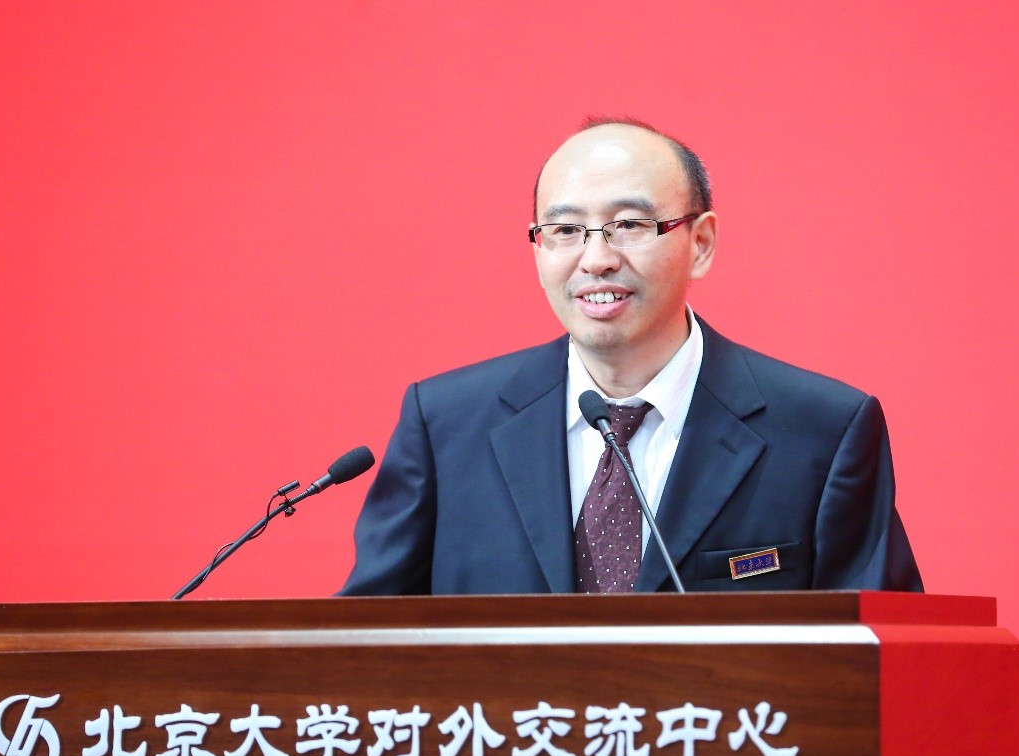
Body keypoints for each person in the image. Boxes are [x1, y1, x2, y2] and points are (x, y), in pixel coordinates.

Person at [340, 118, 922, 595]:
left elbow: (882, 657)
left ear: (701, 243)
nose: (596, 259)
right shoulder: (445, 426)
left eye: (628, 225)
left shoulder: (823, 432)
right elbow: (362, 648)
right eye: (565, 230)